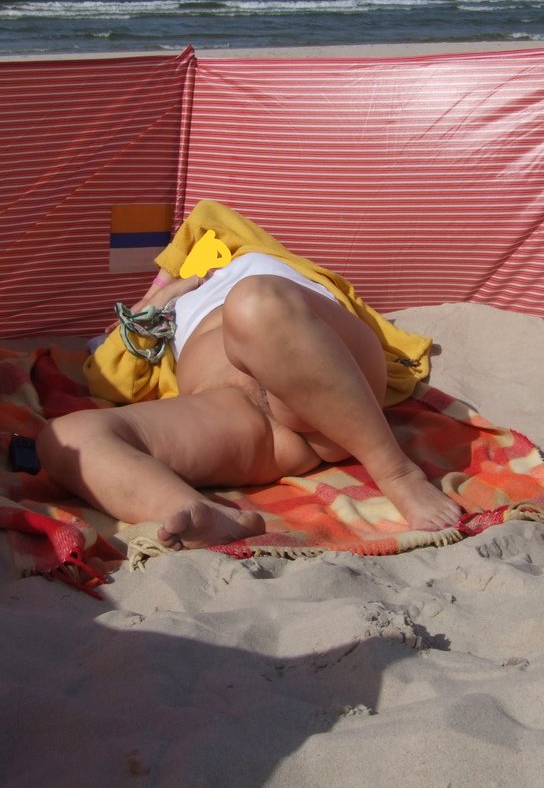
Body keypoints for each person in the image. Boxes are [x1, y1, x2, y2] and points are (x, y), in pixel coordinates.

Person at [37, 201, 462, 550]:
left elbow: (210, 217)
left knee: (254, 303)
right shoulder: (162, 309)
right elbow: (109, 368)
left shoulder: (257, 260)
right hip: (242, 417)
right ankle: (199, 513)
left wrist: (186, 276)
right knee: (66, 438)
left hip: (328, 371)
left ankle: (396, 472)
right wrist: (161, 296)